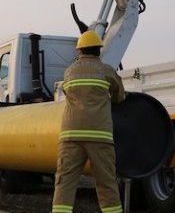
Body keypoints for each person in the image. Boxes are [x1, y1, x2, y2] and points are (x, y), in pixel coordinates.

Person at [52, 31, 126, 213]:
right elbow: (119, 97)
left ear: (79, 51)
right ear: (99, 50)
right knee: (106, 183)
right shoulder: (107, 70)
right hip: (100, 137)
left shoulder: (69, 72)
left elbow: (69, 93)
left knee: (65, 183)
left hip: (70, 136)